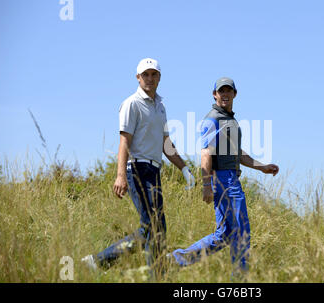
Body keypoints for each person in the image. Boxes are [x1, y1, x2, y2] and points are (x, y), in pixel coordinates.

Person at [82, 58, 195, 278]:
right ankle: (101, 261)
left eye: (154, 75)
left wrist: (184, 169)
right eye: (145, 75)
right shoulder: (131, 103)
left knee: (157, 228)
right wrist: (120, 176)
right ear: (138, 77)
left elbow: (165, 143)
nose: (150, 79)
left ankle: (156, 275)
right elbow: (124, 142)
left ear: (159, 78)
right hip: (137, 169)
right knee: (150, 226)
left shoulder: (160, 107)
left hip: (154, 172)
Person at [170, 77, 279, 278]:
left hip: (228, 178)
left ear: (235, 94)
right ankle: (240, 277)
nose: (225, 94)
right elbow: (205, 154)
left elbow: (237, 153)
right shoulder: (214, 119)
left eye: (229, 91)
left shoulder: (229, 120)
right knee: (241, 230)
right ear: (215, 94)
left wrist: (262, 167)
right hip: (224, 180)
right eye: (221, 91)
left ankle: (174, 260)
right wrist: (206, 185)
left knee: (225, 234)